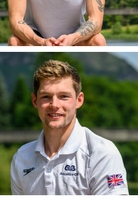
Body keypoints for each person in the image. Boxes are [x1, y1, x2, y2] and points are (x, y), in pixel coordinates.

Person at [10, 60, 129, 195]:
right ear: (35, 101)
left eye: (63, 96)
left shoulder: (102, 153)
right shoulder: (21, 158)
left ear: (79, 100)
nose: (54, 104)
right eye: (46, 97)